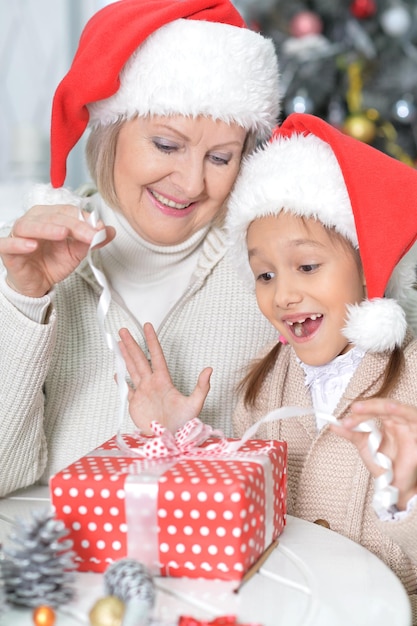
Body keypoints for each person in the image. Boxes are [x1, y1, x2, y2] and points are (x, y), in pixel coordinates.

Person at [121, 113, 417, 619]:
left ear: (369, 265)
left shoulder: (409, 379)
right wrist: (180, 436)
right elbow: (248, 496)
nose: (283, 293)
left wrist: (406, 493)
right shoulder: (262, 387)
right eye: (264, 274)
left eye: (307, 266)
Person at [0, 0, 281, 496]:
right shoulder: (24, 253)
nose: (192, 182)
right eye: (167, 146)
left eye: (220, 157)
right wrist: (23, 302)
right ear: (111, 130)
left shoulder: (268, 275)